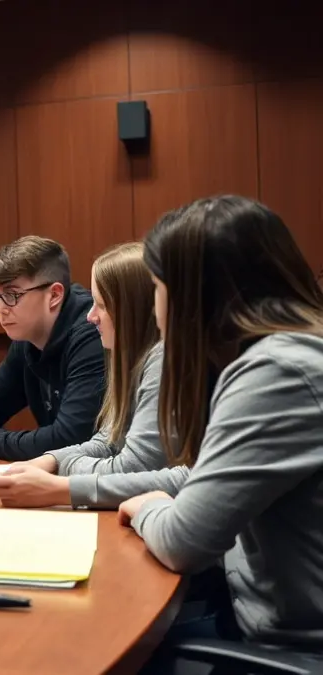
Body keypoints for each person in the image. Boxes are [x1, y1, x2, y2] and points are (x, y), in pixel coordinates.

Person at [120, 195, 323, 651]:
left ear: (194, 296)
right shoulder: (296, 353)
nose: (154, 306)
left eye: (156, 287)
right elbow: (206, 480)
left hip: (286, 649)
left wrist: (149, 506)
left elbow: (183, 542)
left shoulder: (279, 372)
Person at [0, 241, 187, 509]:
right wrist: (50, 460)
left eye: (102, 305)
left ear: (133, 310)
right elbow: (108, 441)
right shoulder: (128, 358)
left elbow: (134, 466)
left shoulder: (164, 359)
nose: (91, 317)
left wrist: (61, 473)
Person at [0, 236, 106, 460]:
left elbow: (71, 438)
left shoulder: (93, 333)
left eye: (11, 296)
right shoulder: (28, 338)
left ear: (54, 295)